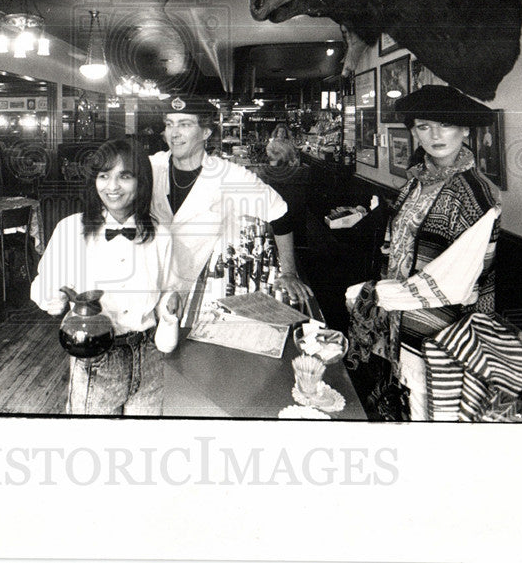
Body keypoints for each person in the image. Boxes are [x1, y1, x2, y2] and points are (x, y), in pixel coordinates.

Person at [344, 85, 500, 421]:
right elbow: (397, 246)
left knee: (435, 416)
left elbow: (458, 282)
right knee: (403, 407)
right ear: (414, 132)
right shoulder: (415, 183)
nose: (435, 135)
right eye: (424, 126)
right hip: (401, 322)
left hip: (447, 330)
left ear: (465, 129)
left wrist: (376, 294)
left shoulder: (476, 192)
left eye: (445, 124)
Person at [30, 137, 179, 415]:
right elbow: (42, 290)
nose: (112, 187)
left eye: (125, 176)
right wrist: (56, 296)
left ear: (142, 182)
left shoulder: (160, 235)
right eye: (104, 176)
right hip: (94, 359)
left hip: (149, 356)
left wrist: (170, 306)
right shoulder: (70, 230)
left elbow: (167, 289)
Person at [149, 94, 313, 312]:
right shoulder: (150, 167)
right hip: (149, 288)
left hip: (199, 291)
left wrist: (289, 273)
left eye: (185, 124)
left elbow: (280, 213)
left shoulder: (228, 175)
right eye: (169, 124)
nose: (174, 133)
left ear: (206, 132)